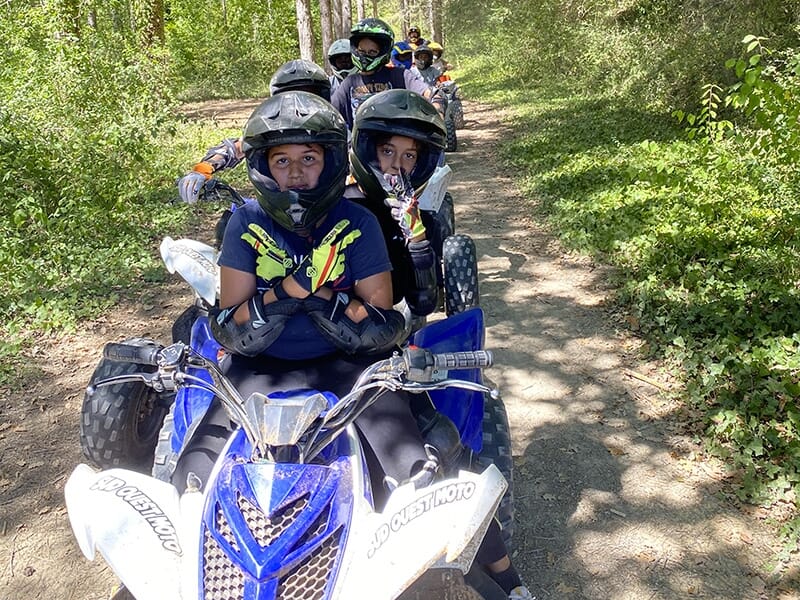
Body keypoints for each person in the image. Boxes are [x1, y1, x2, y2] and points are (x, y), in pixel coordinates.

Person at [172, 90, 437, 509]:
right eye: (282, 160)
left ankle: (503, 573)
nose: (295, 172)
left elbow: (380, 326)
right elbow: (231, 328)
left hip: (352, 367)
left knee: (417, 476)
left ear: (329, 161)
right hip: (255, 369)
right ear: (265, 166)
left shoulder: (358, 222)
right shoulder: (246, 221)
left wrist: (309, 296)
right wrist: (294, 291)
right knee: (187, 486)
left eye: (308, 159)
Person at [348, 89, 533, 600]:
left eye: (410, 156)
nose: (398, 164)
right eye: (388, 152)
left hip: (385, 354)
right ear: (367, 151)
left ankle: (506, 580)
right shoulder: (335, 208)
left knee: (446, 457)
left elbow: (423, 300)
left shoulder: (418, 220)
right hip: (325, 351)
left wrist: (418, 243)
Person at [177, 59, 331, 207]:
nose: (300, 102)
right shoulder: (270, 128)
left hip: (333, 202)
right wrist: (203, 168)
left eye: (309, 95)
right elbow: (237, 147)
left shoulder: (335, 126)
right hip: (281, 204)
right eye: (292, 95)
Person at [329, 17, 446, 129]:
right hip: (360, 144)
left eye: (372, 52)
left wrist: (437, 110)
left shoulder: (400, 75)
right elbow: (331, 112)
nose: (365, 56)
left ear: (383, 51)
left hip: (397, 142)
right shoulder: (349, 83)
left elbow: (430, 93)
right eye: (362, 51)